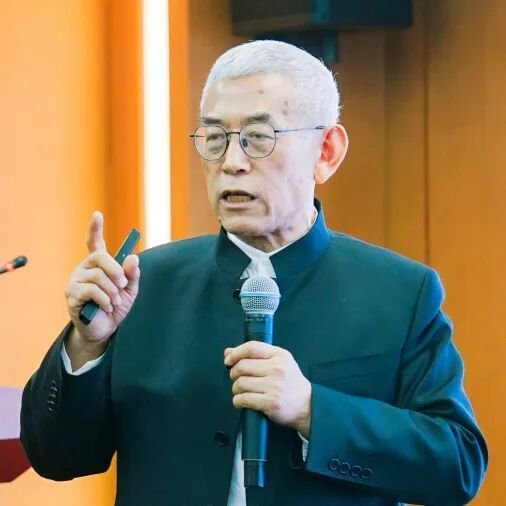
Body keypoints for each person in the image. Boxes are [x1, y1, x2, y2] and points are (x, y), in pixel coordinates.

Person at [21, 40, 487, 506]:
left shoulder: (400, 293)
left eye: (259, 138)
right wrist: (87, 345)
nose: (231, 162)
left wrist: (312, 410)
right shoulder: (142, 285)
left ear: (326, 151)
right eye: (215, 138)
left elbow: (458, 466)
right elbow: (55, 457)